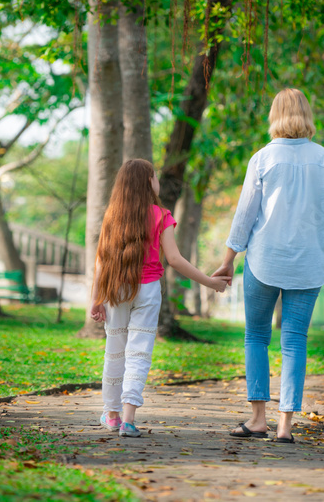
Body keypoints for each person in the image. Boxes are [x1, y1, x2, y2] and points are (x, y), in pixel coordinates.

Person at [213, 88, 324, 443]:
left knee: (256, 335)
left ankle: (258, 420)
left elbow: (245, 215)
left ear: (275, 116)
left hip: (264, 260)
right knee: (295, 340)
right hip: (307, 262)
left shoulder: (262, 158)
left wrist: (228, 260)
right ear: (306, 115)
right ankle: (285, 427)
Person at [90, 159, 230, 438]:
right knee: (139, 352)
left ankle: (113, 415)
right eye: (154, 176)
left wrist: (96, 298)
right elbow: (175, 259)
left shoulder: (112, 215)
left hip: (115, 289)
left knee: (115, 351)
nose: (157, 180)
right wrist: (210, 282)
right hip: (148, 290)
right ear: (148, 182)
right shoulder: (161, 215)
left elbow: (101, 260)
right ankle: (129, 420)